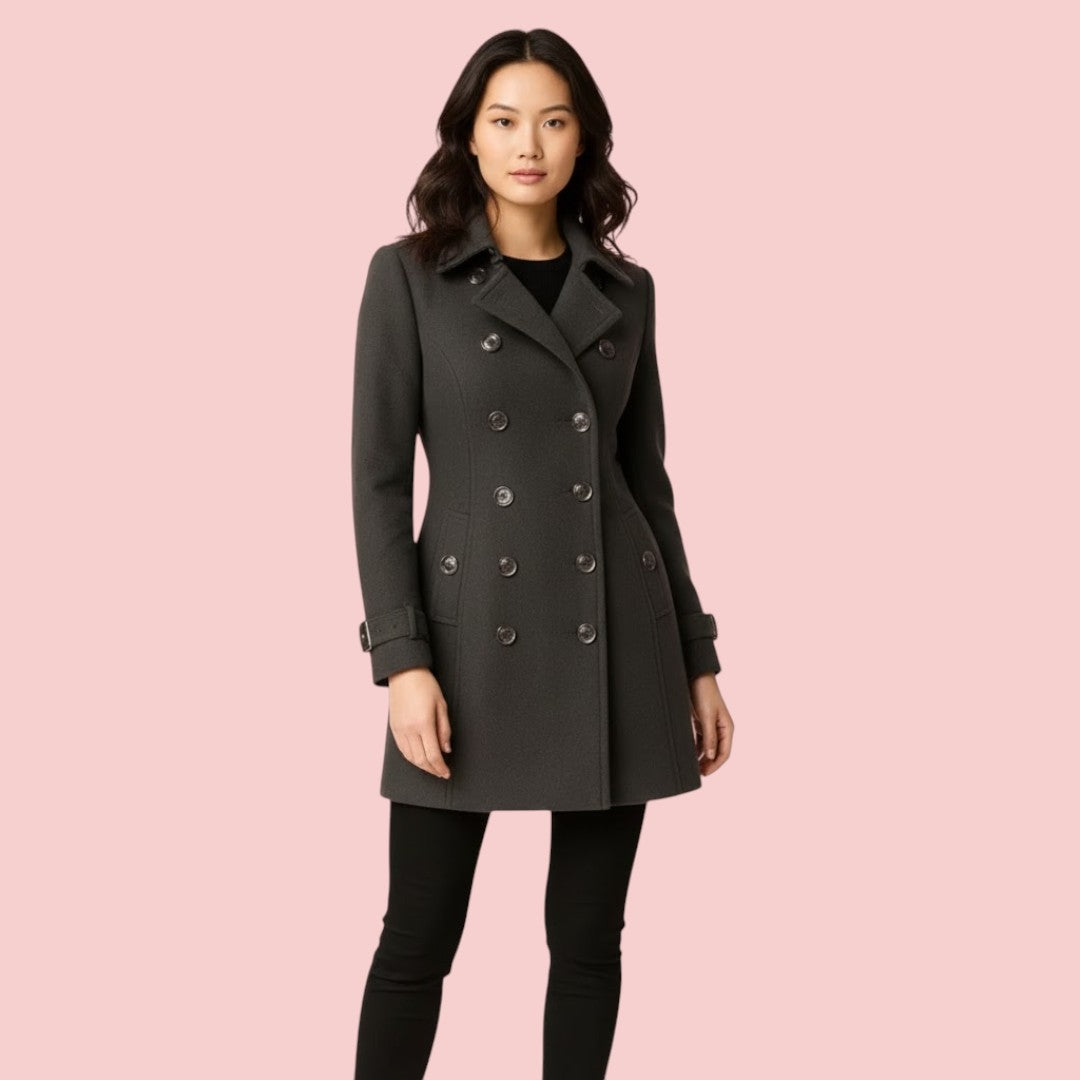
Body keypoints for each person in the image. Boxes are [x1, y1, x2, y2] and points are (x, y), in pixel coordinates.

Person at [350, 28, 735, 1080]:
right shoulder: (410, 278)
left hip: (614, 638)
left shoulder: (626, 290)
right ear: (469, 138)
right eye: (506, 120)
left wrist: (697, 657)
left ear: (582, 140)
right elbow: (379, 483)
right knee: (416, 943)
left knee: (589, 944)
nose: (530, 144)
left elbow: (645, 482)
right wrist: (402, 659)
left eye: (554, 121)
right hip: (467, 642)